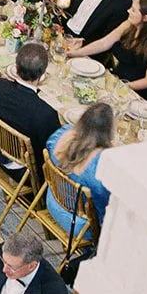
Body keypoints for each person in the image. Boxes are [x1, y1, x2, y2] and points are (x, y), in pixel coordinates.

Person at [0, 40, 61, 178]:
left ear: (16, 68)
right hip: (23, 170)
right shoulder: (46, 114)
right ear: (42, 73)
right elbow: (50, 153)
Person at [73, 0, 147, 99]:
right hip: (116, 79)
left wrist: (122, 86)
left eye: (133, 10)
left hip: (135, 91)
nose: (128, 11)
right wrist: (77, 53)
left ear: (145, 18)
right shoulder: (129, 24)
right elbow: (104, 43)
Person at [44, 102, 115, 239]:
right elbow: (103, 208)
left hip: (54, 199)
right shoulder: (97, 170)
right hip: (79, 223)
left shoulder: (62, 133)